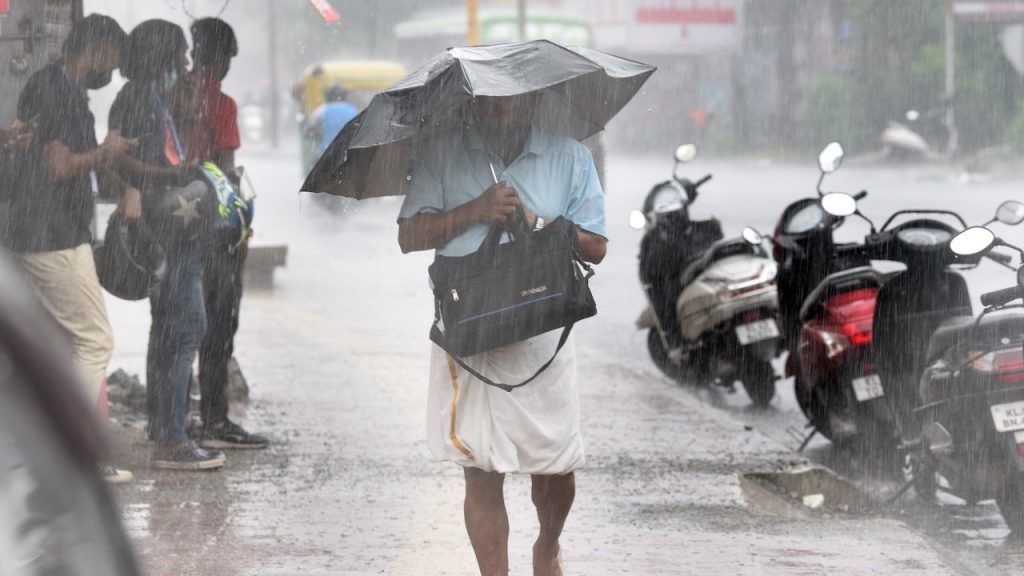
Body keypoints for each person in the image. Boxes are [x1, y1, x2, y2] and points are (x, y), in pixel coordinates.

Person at [396, 94, 607, 576]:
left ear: (536, 102)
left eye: (515, 104)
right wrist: (475, 210)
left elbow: (596, 246)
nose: (503, 115)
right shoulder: (445, 153)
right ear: (473, 106)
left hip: (543, 332)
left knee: (555, 464)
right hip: (471, 333)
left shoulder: (570, 156)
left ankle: (548, 545)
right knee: (481, 468)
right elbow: (409, 236)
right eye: (491, 106)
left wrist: (539, 223)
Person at [6, 14, 136, 484]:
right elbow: (59, 167)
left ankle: (37, 450)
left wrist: (113, 167)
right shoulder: (57, 91)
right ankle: (76, 458)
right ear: (96, 48)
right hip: (52, 237)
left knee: (58, 345)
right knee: (93, 340)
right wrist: (105, 151)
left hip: (38, 232)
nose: (113, 72)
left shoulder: (58, 89)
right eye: (113, 60)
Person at [108, 19, 224, 470]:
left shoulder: (151, 95)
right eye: (180, 52)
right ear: (162, 55)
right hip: (169, 230)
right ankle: (172, 440)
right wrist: (169, 177)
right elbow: (123, 160)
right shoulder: (138, 97)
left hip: (176, 230)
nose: (186, 61)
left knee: (171, 329)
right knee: (185, 327)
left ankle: (165, 428)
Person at [176, 17, 268, 449]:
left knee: (178, 325)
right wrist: (242, 227)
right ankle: (215, 419)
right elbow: (226, 173)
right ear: (221, 56)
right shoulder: (221, 103)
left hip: (175, 223)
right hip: (214, 231)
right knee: (218, 327)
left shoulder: (175, 94)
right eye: (229, 56)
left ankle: (175, 420)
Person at [307, 84, 358, 157]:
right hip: (346, 152)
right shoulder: (353, 111)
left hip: (325, 151)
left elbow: (310, 129)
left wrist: (318, 136)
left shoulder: (321, 110)